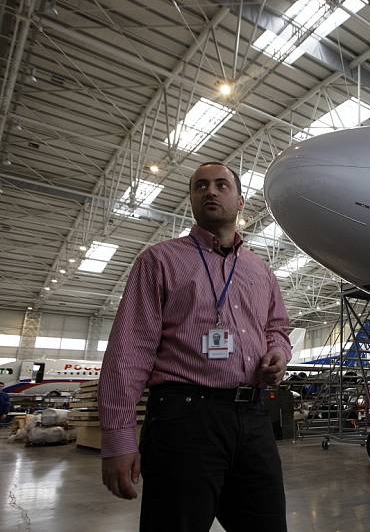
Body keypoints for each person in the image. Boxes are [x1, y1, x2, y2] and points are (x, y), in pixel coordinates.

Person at [99, 162, 291, 532]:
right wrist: (117, 438)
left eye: (221, 185)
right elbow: (129, 350)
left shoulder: (260, 271)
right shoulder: (159, 261)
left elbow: (278, 329)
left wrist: (278, 354)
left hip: (252, 419)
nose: (211, 191)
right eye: (200, 186)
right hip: (183, 421)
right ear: (191, 199)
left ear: (239, 201)